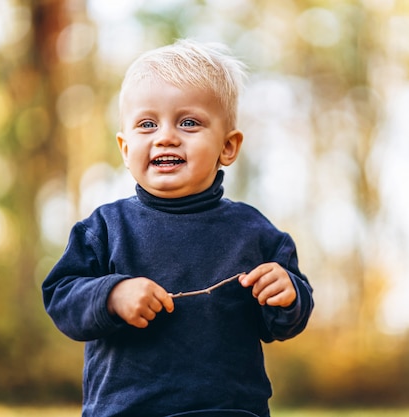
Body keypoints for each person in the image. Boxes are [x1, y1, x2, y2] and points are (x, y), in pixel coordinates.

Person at [42, 39, 314, 417]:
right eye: (147, 124)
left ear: (228, 146)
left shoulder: (254, 232)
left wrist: (288, 295)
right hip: (127, 409)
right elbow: (60, 296)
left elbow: (285, 323)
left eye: (189, 123)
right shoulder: (105, 228)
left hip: (229, 410)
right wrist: (112, 294)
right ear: (124, 148)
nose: (165, 136)